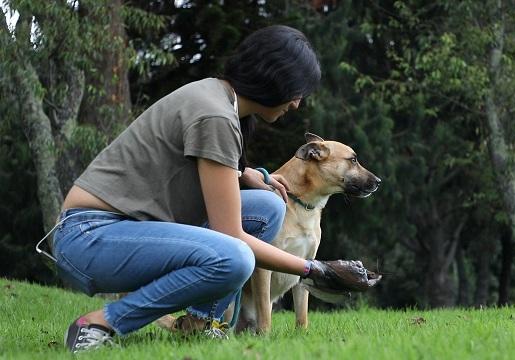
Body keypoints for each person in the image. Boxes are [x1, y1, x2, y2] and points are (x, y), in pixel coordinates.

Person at [53, 25, 358, 353]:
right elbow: (232, 236)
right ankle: (103, 321)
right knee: (236, 257)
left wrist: (245, 173)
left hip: (122, 229)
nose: (296, 103)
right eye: (295, 90)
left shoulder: (217, 98)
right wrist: (313, 269)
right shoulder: (215, 115)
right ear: (274, 78)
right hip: (87, 235)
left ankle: (202, 324)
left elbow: (188, 166)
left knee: (269, 207)